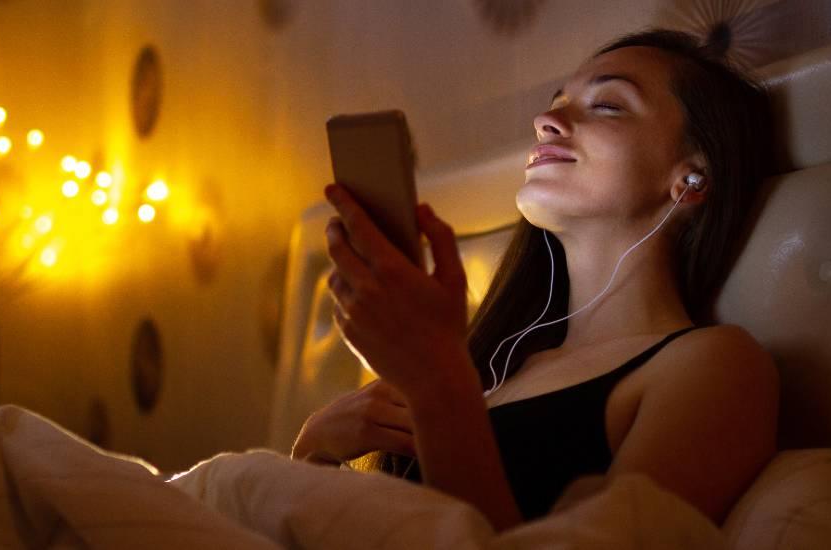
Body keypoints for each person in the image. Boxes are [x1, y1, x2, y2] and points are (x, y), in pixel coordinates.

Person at [291, 28, 779, 532]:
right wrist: (314, 449)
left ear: (691, 178)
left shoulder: (716, 365)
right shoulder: (490, 362)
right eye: (555, 105)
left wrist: (435, 381)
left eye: (607, 106)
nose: (546, 122)